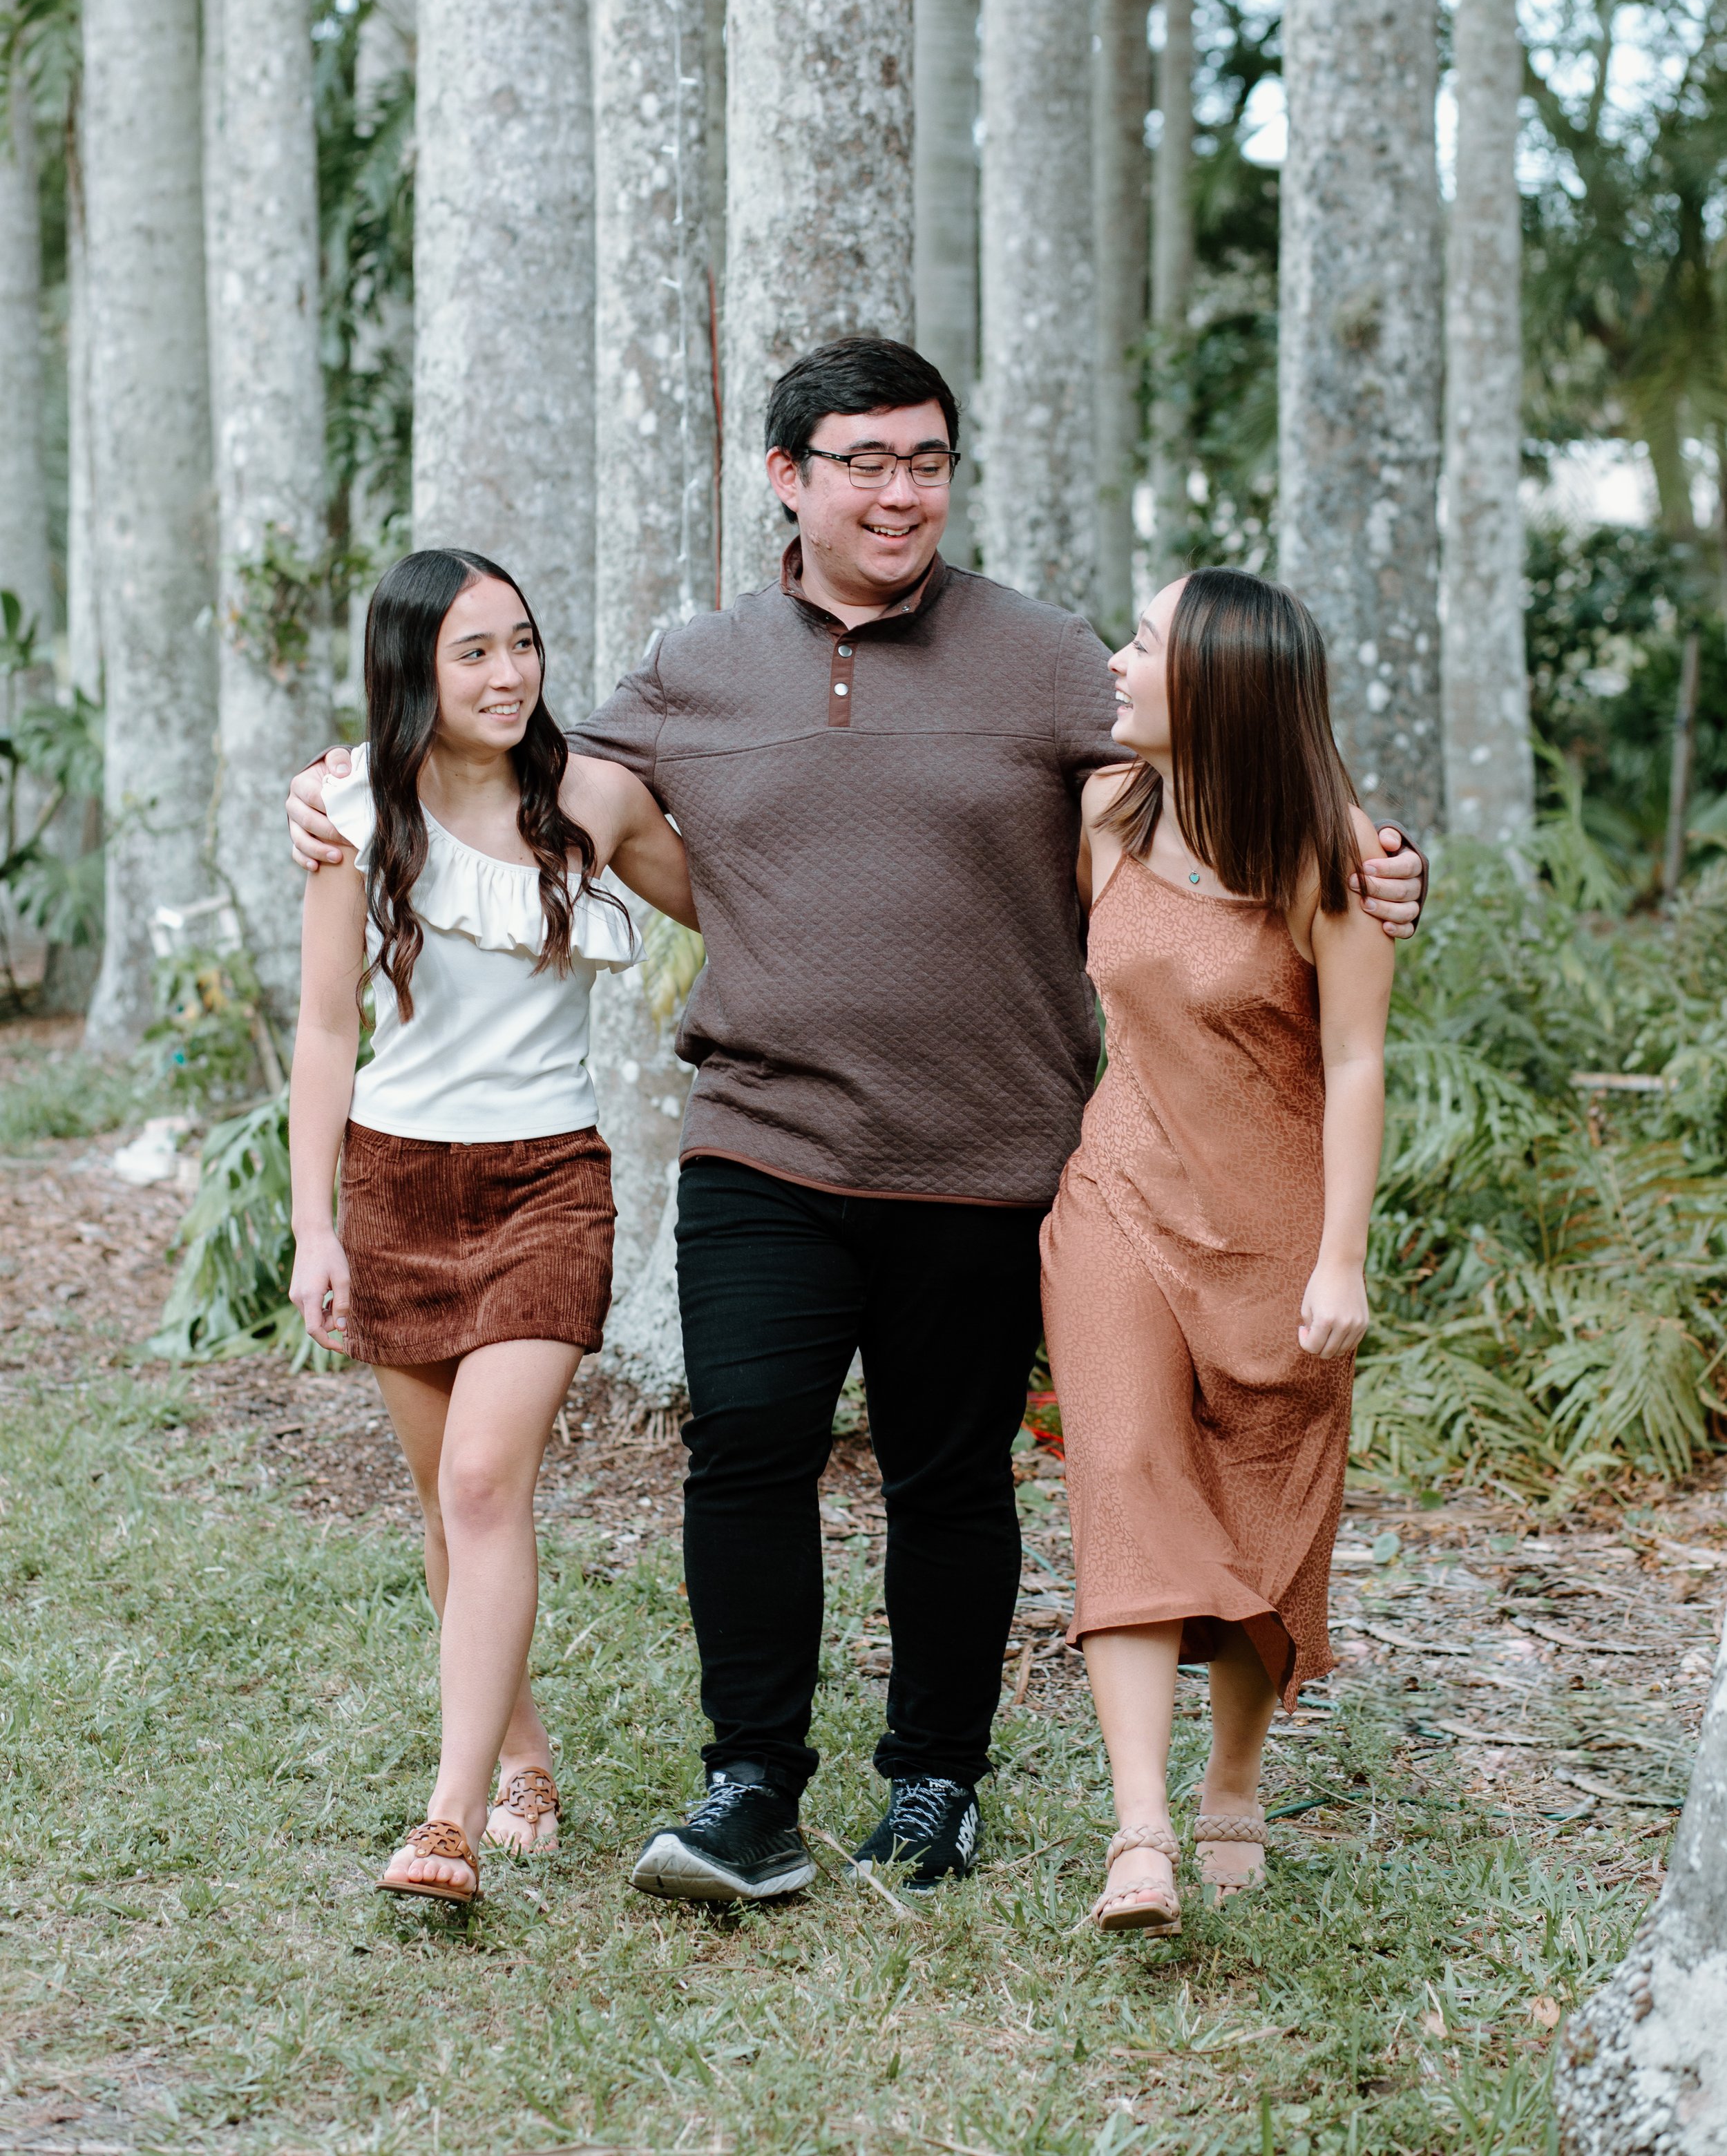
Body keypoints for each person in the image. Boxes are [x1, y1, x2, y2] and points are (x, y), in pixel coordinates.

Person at [285, 338, 1424, 1907]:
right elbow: (529, 774)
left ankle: (934, 1785)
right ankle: (750, 1786)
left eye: (927, 461)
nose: (902, 492)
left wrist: (1375, 853)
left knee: (948, 1479)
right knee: (745, 1448)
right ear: (787, 477)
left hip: (987, 1149)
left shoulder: (1042, 656)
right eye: (866, 462)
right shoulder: (697, 665)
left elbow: (1224, 777)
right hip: (761, 1133)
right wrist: (346, 783)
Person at [287, 548, 697, 1903]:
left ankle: (447, 1819)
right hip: (396, 1184)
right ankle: (521, 1755)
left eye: (521, 642)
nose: (509, 672)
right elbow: (327, 1029)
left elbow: (735, 897)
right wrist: (314, 1228)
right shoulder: (351, 809)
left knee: (479, 1483)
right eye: (474, 651)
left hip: (547, 1185)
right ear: (413, 669)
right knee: (443, 1502)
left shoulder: (594, 797)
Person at [1042, 567, 1394, 1936]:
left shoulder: (1333, 858)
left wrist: (1341, 1259)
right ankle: (1138, 1831)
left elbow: (1355, 1060)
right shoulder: (1104, 810)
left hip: (1275, 1229)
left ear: (1218, 687)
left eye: (1143, 644)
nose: (1117, 664)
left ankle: (1230, 1784)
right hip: (1118, 1197)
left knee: (1266, 1506)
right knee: (1121, 1469)